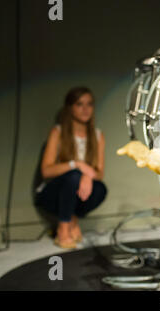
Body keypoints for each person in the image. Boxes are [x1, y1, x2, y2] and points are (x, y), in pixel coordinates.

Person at [36, 86, 107, 249]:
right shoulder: (58, 132)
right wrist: (78, 165)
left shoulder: (98, 136)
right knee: (74, 176)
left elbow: (99, 173)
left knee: (100, 188)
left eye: (89, 104)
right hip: (52, 194)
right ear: (70, 108)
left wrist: (87, 176)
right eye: (79, 104)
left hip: (79, 192)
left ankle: (73, 218)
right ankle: (63, 227)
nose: (85, 109)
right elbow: (46, 171)